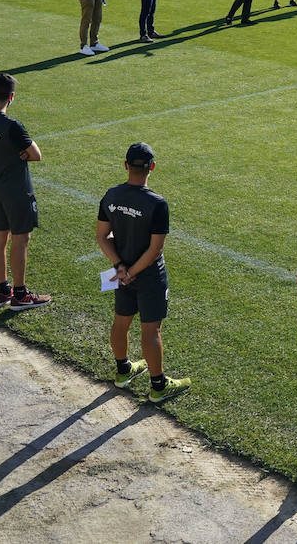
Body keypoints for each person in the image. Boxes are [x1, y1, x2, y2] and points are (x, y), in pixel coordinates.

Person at [96, 142, 190, 403]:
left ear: (126, 165)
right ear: (153, 167)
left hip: (122, 271)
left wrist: (120, 268)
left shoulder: (111, 195)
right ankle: (158, 385)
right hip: (148, 276)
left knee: (121, 320)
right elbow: (155, 249)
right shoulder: (157, 203)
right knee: (151, 329)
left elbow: (102, 236)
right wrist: (133, 271)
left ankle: (123, 371)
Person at [0, 73, 49, 310]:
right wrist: (22, 152)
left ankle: (2, 290)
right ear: (12, 97)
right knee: (21, 239)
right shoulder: (12, 126)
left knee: (0, 237)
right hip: (17, 190)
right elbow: (36, 155)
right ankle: (20, 294)